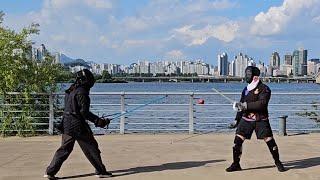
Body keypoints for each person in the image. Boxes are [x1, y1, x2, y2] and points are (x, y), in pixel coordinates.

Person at [44, 69, 112, 179]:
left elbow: (71, 109)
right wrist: (99, 121)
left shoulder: (71, 90)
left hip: (67, 123)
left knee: (64, 149)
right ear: (87, 81)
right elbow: (84, 112)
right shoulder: (82, 92)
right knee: (91, 148)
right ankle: (100, 171)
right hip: (78, 126)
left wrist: (98, 121)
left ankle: (50, 172)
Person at [226, 66, 286, 172]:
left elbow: (262, 104)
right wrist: (236, 120)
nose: (246, 76)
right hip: (246, 119)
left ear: (254, 76)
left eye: (248, 74)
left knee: (269, 140)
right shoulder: (246, 89)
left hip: (261, 119)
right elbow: (241, 106)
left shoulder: (264, 88)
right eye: (245, 74)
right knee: (237, 141)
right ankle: (236, 164)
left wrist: (245, 105)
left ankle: (278, 162)